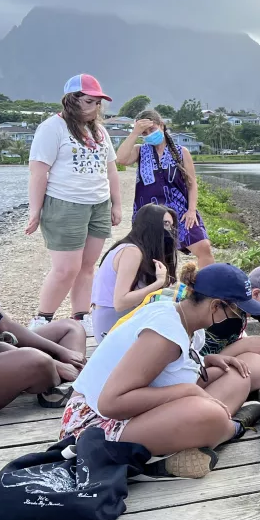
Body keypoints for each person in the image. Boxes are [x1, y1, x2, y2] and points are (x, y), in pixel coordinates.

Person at [62, 262, 260, 479]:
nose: (240, 320)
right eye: (237, 312)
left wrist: (206, 360)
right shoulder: (164, 333)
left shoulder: (183, 319)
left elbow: (168, 370)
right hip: (93, 424)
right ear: (216, 306)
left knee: (239, 376)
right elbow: (111, 403)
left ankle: (195, 439)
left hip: (135, 412)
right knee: (212, 414)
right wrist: (186, 392)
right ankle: (231, 429)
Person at [0, 212, 87, 420]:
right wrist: (54, 361)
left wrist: (62, 352)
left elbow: (6, 324)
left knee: (70, 328)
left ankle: (59, 387)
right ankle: (57, 378)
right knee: (35, 359)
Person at [27, 74, 121, 334]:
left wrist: (116, 205)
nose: (94, 107)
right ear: (72, 100)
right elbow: (38, 172)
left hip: (98, 205)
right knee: (66, 268)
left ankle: (81, 316)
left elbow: (111, 170)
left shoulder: (100, 131)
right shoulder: (51, 128)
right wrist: (35, 211)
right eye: (89, 101)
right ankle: (42, 319)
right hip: (66, 204)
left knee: (88, 266)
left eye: (97, 103)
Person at [116, 109, 214, 268]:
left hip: (180, 211)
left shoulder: (182, 152)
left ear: (161, 125)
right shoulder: (140, 151)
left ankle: (203, 290)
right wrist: (135, 132)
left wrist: (191, 210)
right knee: (157, 258)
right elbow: (121, 159)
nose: (148, 134)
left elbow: (191, 183)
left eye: (152, 129)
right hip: (149, 214)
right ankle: (160, 289)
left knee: (204, 248)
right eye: (144, 132)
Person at [90, 204, 179, 342]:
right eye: (166, 224)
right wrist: (158, 283)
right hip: (112, 325)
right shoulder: (131, 251)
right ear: (151, 224)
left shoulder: (138, 250)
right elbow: (120, 302)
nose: (170, 230)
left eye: (171, 226)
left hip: (122, 318)